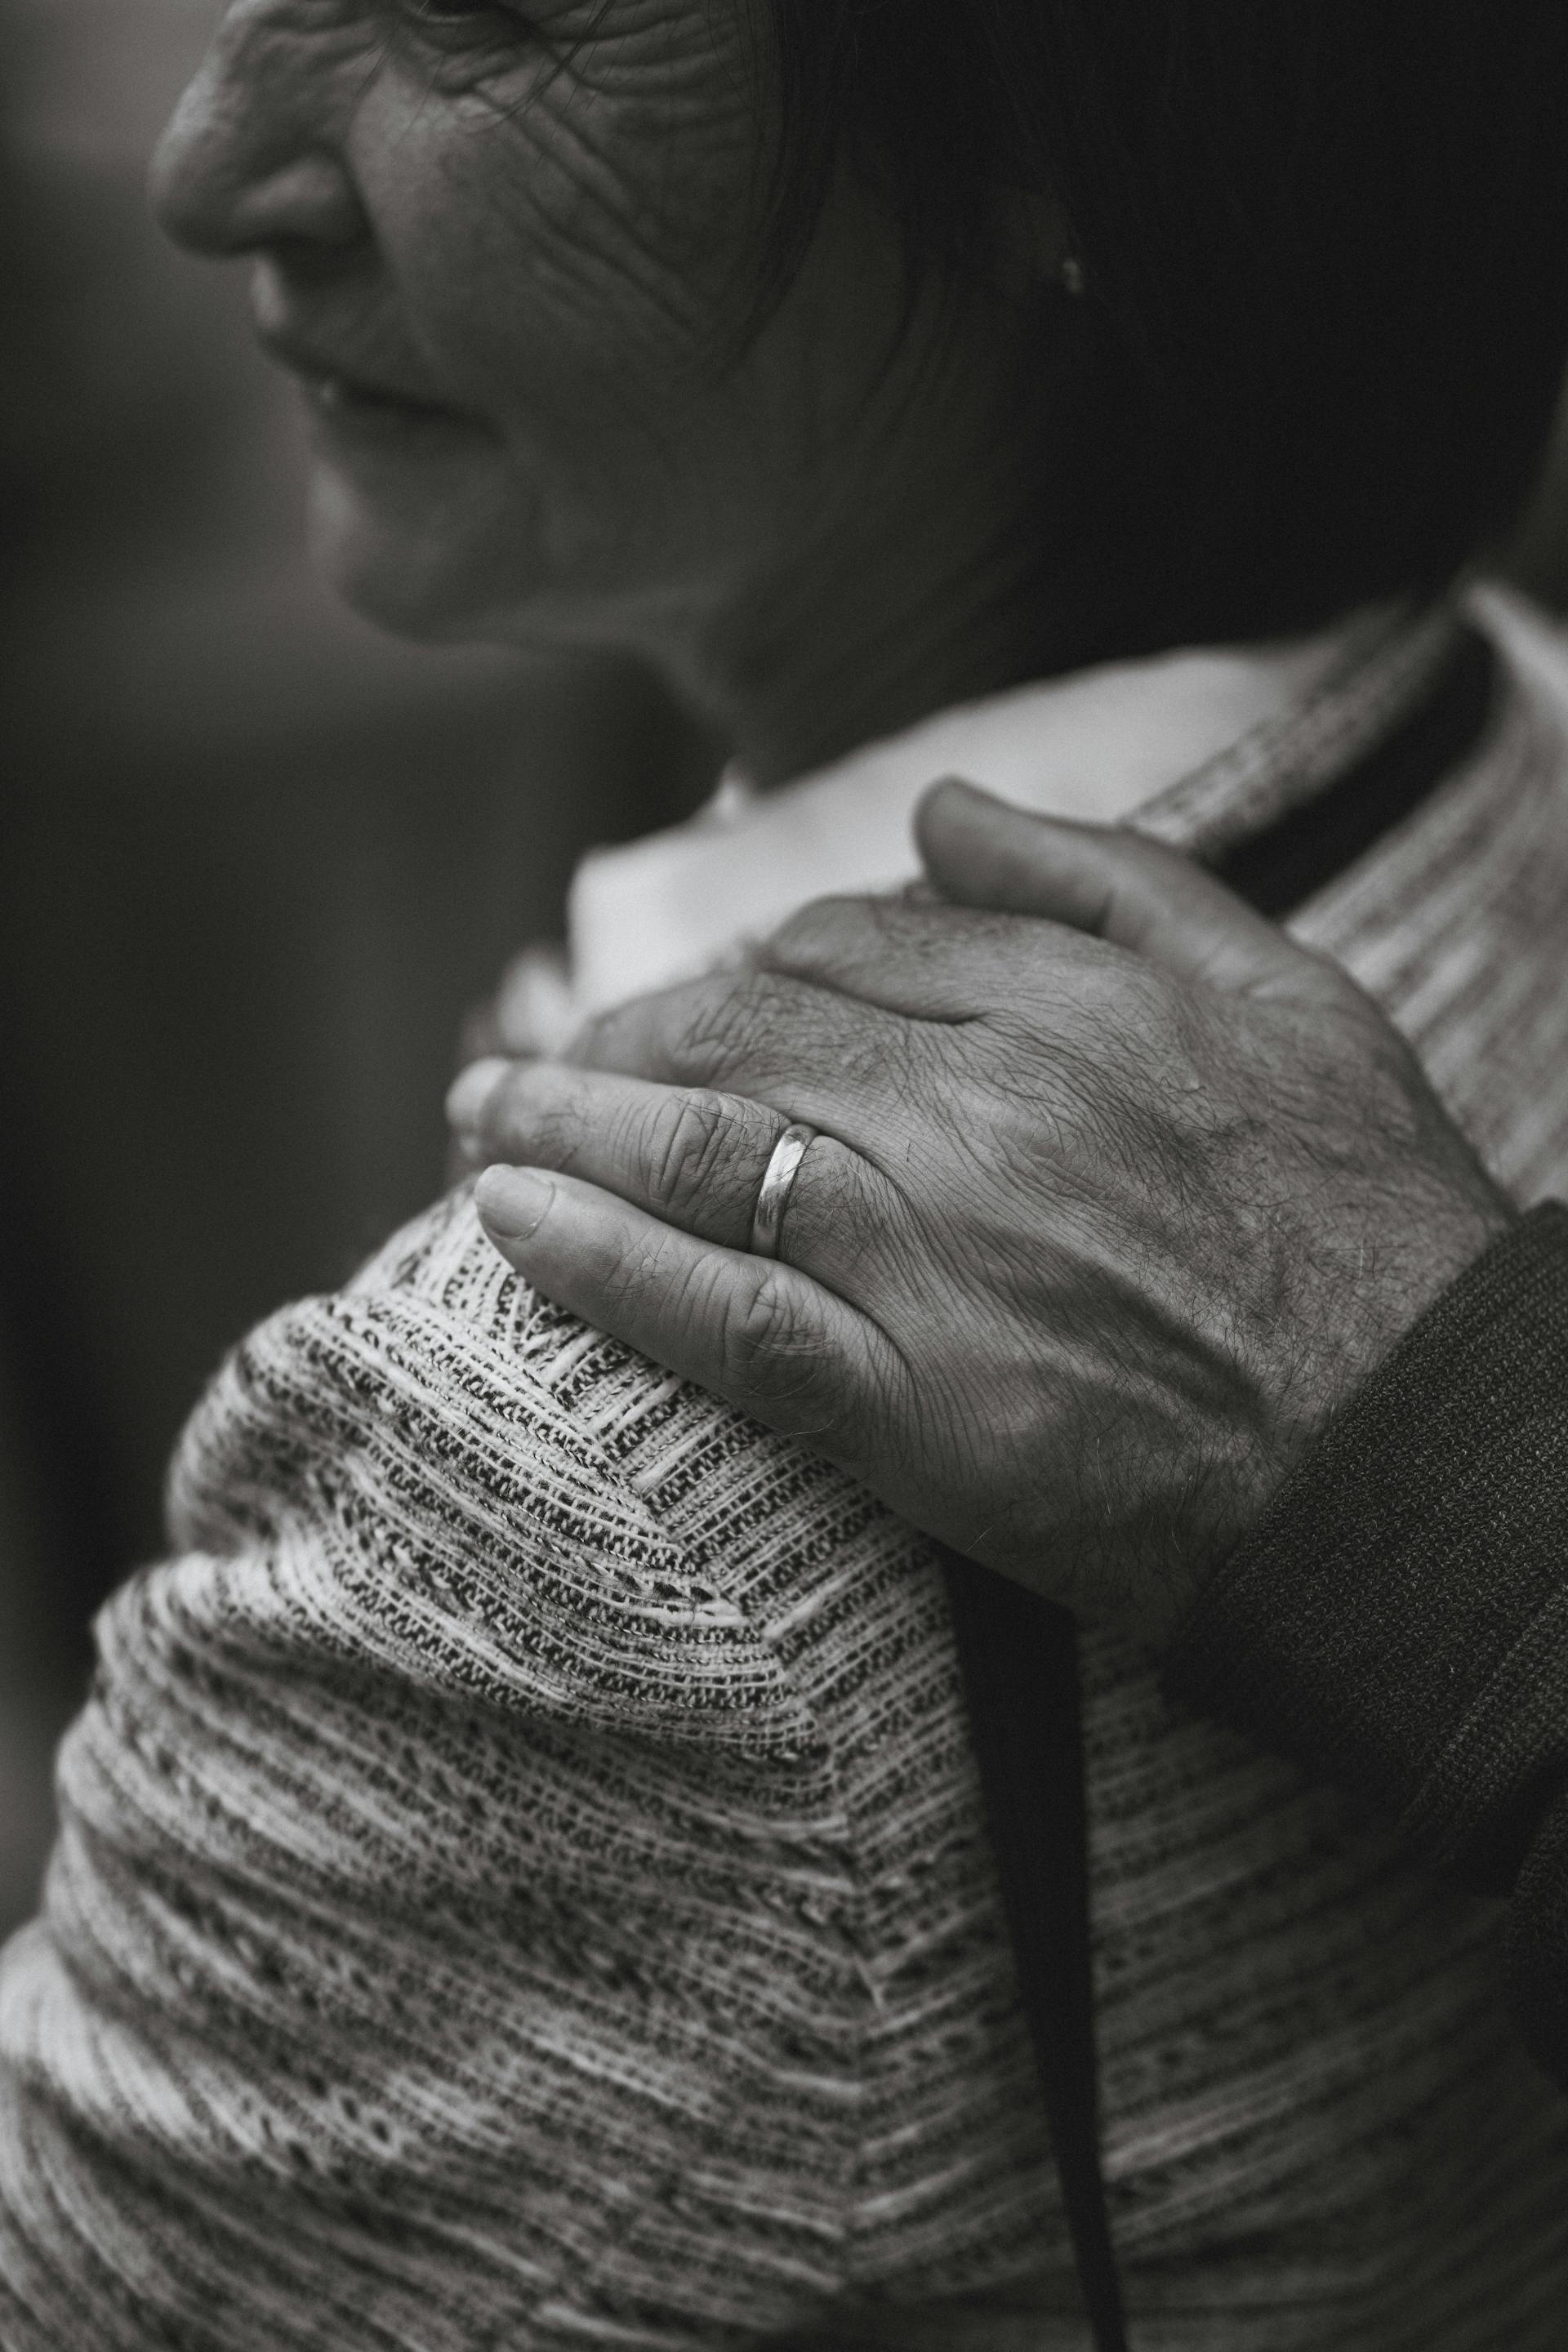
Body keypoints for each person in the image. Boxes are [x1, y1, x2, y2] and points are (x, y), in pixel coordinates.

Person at [4, 3, 1568, 2346]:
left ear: (1074, 129)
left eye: (477, 10)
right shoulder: (1516, 724)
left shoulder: (539, 1517)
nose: (212, 168)